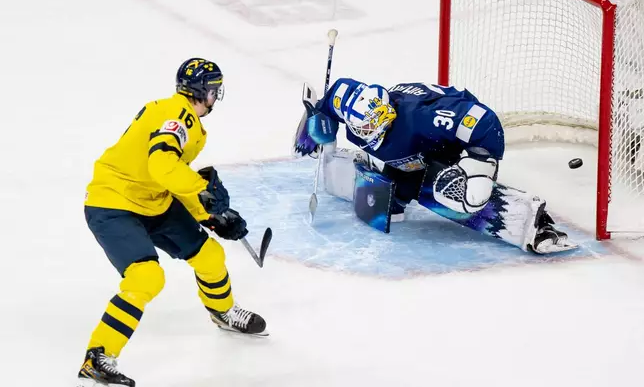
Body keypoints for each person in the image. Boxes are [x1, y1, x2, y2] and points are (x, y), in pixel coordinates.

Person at [78, 58, 266, 387]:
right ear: (205, 92)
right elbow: (162, 166)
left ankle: (222, 311)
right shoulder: (180, 118)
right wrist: (203, 192)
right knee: (146, 276)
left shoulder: (174, 113)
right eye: (214, 91)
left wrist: (210, 215)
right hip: (113, 203)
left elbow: (166, 176)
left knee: (210, 256)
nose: (215, 97)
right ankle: (98, 355)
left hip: (153, 201)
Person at [293, 77, 577, 254]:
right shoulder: (351, 100)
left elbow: (482, 121)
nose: (363, 132)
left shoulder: (423, 117)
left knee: (457, 193)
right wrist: (315, 124)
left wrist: (480, 164)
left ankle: (538, 226)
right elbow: (332, 97)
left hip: (447, 140)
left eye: (369, 125)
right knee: (394, 198)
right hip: (414, 147)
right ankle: (406, 181)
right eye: (359, 126)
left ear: (385, 114)